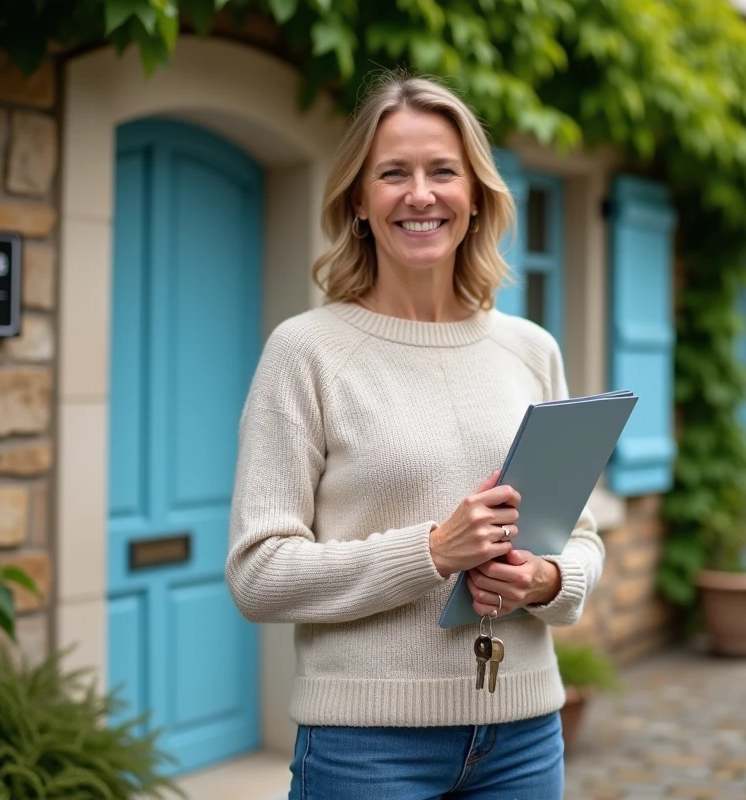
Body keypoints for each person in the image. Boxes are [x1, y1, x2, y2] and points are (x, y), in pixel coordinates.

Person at [225, 71, 605, 800]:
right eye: (393, 173)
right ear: (360, 202)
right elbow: (258, 573)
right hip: (367, 749)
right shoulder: (307, 352)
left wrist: (548, 580)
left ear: (476, 198)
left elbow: (580, 535)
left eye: (443, 172)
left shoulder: (531, 349)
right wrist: (431, 553)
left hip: (524, 736)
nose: (420, 194)